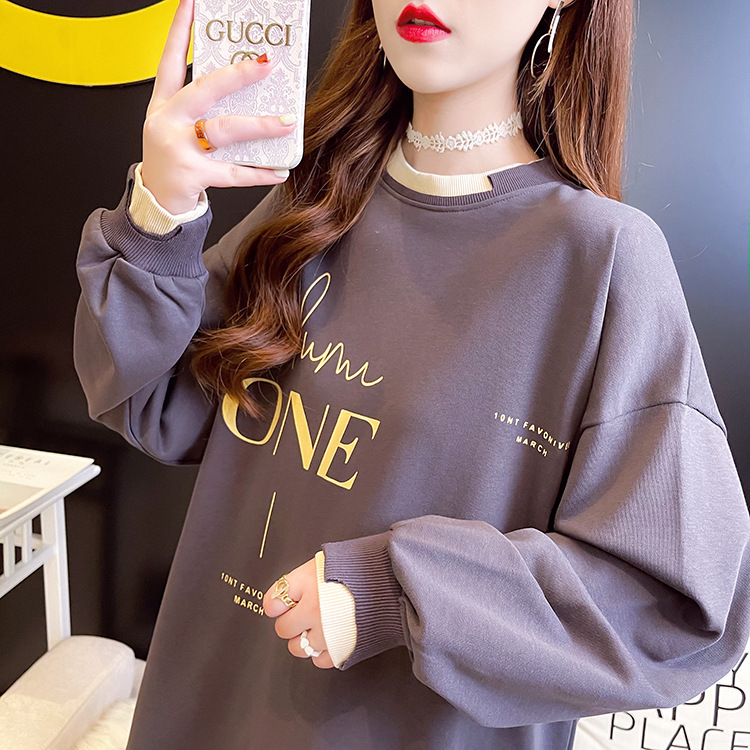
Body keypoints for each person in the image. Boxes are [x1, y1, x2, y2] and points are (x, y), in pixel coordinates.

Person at [73, 0, 750, 747]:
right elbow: (153, 404)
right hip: (205, 711)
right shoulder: (313, 204)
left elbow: (676, 603)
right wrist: (159, 213)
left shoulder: (602, 258)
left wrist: (399, 585)